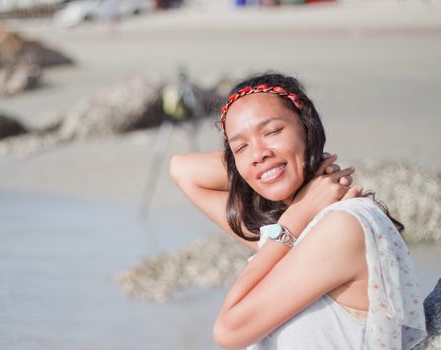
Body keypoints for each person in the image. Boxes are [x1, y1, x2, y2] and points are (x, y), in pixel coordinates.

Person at [169, 72, 427, 349]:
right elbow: (183, 170)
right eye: (241, 147)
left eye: (272, 131)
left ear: (308, 128)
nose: (258, 153)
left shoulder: (342, 226)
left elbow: (229, 331)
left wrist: (291, 221)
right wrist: (283, 193)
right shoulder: (290, 231)